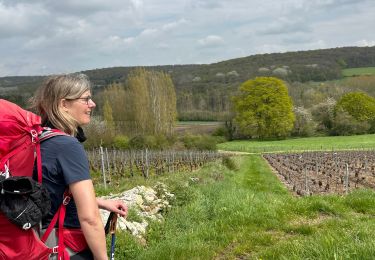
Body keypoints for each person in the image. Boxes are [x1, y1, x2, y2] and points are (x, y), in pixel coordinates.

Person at [31, 73, 127, 260]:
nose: (92, 104)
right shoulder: (67, 146)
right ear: (64, 104)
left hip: (39, 243)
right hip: (67, 248)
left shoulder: (39, 139)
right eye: (85, 99)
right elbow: (89, 218)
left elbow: (51, 191)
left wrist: (101, 202)